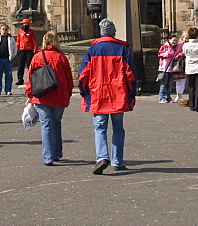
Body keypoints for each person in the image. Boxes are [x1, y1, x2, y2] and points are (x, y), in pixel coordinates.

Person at [78, 19, 138, 174]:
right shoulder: (122, 49)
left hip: (98, 93)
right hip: (118, 92)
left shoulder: (92, 50)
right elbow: (130, 74)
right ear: (114, 32)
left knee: (100, 127)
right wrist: (132, 92)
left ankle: (102, 157)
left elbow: (83, 74)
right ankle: (117, 160)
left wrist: (84, 91)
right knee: (118, 128)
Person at [25, 30, 73, 166]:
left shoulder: (37, 57)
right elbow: (69, 79)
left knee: (46, 125)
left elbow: (30, 78)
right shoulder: (61, 57)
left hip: (42, 95)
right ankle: (57, 152)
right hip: (59, 95)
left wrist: (30, 95)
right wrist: (67, 94)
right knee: (56, 123)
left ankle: (48, 156)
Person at [0, 24, 17, 95]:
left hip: (7, 59)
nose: (4, 31)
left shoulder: (11, 38)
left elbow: (15, 49)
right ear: (0, 30)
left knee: (8, 76)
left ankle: (8, 90)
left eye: (6, 29)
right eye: (3, 29)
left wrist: (11, 57)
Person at [156, 33, 181, 104]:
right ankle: (162, 98)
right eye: (173, 40)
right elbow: (160, 54)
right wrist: (167, 54)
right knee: (163, 84)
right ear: (169, 40)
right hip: (164, 68)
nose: (174, 42)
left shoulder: (174, 48)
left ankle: (168, 97)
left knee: (169, 84)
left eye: (176, 40)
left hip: (170, 68)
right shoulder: (164, 46)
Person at [15, 18, 37, 86]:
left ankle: (31, 78)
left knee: (29, 65)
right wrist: (17, 48)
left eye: (26, 24)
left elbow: (34, 41)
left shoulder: (31, 32)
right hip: (22, 50)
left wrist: (34, 49)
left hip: (29, 50)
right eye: (23, 24)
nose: (24, 25)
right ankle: (20, 79)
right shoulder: (20, 31)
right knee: (20, 65)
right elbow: (18, 40)